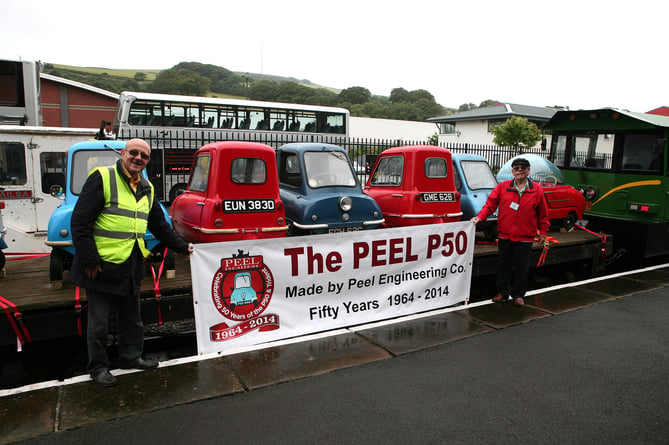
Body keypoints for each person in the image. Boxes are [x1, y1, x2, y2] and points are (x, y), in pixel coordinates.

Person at [71, 138, 193, 387]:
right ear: (123, 154)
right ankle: (98, 368)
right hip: (101, 267)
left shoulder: (146, 188)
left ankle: (130, 358)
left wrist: (183, 248)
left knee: (132, 319)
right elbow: (80, 222)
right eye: (134, 153)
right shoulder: (102, 178)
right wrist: (90, 259)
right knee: (99, 323)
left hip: (130, 264)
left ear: (148, 161)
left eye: (144, 156)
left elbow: (159, 225)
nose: (138, 158)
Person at [471, 157, 549, 307]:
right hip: (505, 235)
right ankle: (502, 292)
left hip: (525, 237)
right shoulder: (502, 187)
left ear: (528, 171)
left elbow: (543, 214)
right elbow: (490, 205)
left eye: (523, 168)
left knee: (521, 268)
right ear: (512, 171)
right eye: (517, 168)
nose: (520, 170)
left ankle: (518, 295)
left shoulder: (537, 190)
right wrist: (480, 217)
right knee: (503, 266)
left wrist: (543, 232)